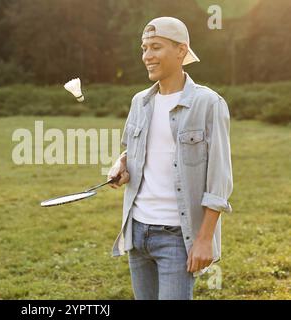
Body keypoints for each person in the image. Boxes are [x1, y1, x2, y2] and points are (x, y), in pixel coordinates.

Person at [107, 17, 233, 300]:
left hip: (177, 237)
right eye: (144, 48)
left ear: (181, 51)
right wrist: (121, 164)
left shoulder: (208, 103)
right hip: (137, 231)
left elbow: (220, 179)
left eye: (156, 47)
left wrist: (203, 240)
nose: (147, 56)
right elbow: (133, 151)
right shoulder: (140, 101)